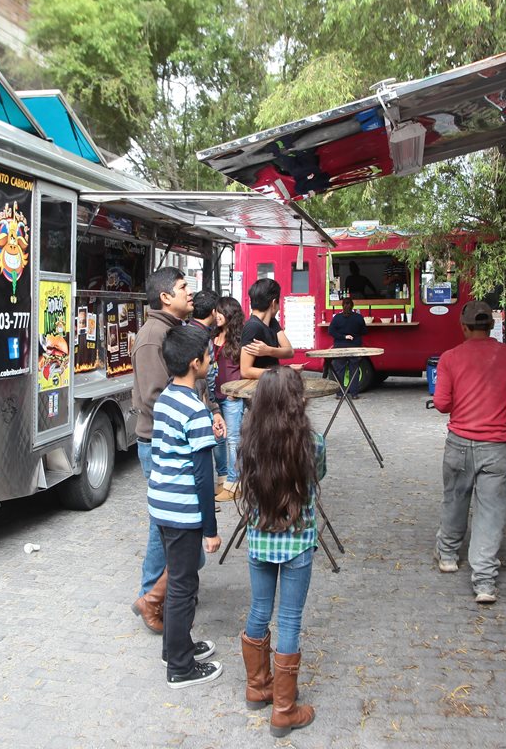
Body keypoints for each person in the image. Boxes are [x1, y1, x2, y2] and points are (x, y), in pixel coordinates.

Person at [131, 269, 225, 634]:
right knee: (164, 525)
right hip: (159, 442)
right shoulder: (152, 336)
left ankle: (173, 591)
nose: (191, 293)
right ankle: (151, 598)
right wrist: (195, 422)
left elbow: (193, 387)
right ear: (165, 297)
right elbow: (156, 398)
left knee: (175, 525)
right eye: (184, 287)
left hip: (180, 437)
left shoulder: (176, 330)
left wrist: (211, 412)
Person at [237, 366, 325, 737]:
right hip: (297, 541)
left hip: (259, 539)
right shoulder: (312, 442)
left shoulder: (249, 439)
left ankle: (258, 687)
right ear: (297, 401)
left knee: (259, 609)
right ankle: (284, 710)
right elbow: (318, 476)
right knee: (289, 619)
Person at [432, 300, 506, 604]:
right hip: (496, 448)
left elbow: (442, 404)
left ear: (463, 327)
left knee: (455, 499)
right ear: (491, 325)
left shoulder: (450, 358)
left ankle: (448, 556)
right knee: (491, 512)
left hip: (459, 444)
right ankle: (485, 582)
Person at [148, 325, 223, 688]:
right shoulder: (195, 410)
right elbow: (204, 476)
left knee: (179, 580)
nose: (211, 360)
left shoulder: (166, 397)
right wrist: (211, 529)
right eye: (208, 355)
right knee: (183, 586)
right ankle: (180, 667)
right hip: (183, 512)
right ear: (196, 363)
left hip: (161, 505)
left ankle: (175, 647)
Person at [191, 289, 228, 500]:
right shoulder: (203, 337)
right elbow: (209, 376)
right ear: (213, 312)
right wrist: (212, 404)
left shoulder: (185, 330)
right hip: (201, 399)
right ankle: (206, 495)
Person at [212, 296, 246, 503]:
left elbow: (246, 368)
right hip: (215, 395)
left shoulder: (239, 338)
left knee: (233, 440)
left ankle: (235, 484)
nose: (217, 315)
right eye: (216, 311)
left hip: (232, 396)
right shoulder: (213, 335)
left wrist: (237, 389)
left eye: (221, 311)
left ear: (230, 314)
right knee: (218, 439)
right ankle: (223, 479)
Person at [240, 277, 298, 382]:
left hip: (272, 384)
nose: (279, 308)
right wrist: (282, 372)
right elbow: (245, 371)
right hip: (258, 388)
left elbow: (289, 351)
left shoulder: (272, 322)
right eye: (278, 303)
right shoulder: (252, 327)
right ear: (273, 303)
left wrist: (268, 350)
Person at [327, 296, 368, 399]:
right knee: (354, 370)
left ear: (342, 306)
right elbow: (364, 331)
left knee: (339, 370)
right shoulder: (359, 317)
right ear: (352, 306)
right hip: (355, 347)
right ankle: (354, 394)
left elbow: (330, 331)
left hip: (340, 348)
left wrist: (343, 336)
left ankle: (339, 394)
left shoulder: (337, 318)